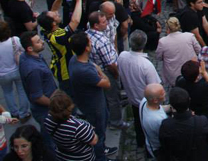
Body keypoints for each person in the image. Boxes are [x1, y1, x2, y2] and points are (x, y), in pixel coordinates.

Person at [68, 32, 117, 161]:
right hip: (94, 107)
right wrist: (100, 71)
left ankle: (102, 150)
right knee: (98, 134)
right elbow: (107, 84)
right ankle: (101, 158)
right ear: (87, 48)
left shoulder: (74, 60)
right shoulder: (85, 70)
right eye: (89, 42)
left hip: (91, 103)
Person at [118, 30, 162, 150]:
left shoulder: (122, 56)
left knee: (138, 121)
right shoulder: (146, 65)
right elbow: (155, 88)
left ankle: (140, 142)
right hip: (146, 102)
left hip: (132, 97)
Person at [37, 0, 82, 100]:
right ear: (53, 23)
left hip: (60, 66)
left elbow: (53, 10)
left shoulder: (46, 29)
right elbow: (75, 21)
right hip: (66, 72)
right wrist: (78, 0)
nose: (58, 14)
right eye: (56, 16)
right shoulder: (59, 36)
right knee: (71, 97)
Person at [18, 31, 58, 152]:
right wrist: (56, 105)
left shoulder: (29, 56)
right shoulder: (33, 69)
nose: (42, 42)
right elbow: (37, 96)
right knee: (49, 140)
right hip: (45, 110)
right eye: (38, 42)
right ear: (30, 48)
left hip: (47, 107)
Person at [158, 87, 208, 161]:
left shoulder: (166, 125)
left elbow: (164, 144)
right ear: (189, 100)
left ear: (171, 105)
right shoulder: (201, 121)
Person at [175, 60, 208, 151]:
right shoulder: (204, 87)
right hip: (205, 115)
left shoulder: (179, 82)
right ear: (197, 75)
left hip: (190, 114)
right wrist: (204, 73)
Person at [44, 90, 98, 161]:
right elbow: (94, 141)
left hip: (63, 156)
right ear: (69, 107)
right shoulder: (78, 127)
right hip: (81, 158)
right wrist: (90, 129)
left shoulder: (48, 120)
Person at [155, 17, 201, 87]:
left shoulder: (163, 42)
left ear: (168, 28)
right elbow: (199, 50)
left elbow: (158, 57)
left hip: (174, 75)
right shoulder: (189, 36)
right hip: (191, 72)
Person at [0, 22, 30, 123]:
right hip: (17, 70)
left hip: (2, 74)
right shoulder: (14, 40)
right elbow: (23, 50)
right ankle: (24, 113)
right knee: (21, 91)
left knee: (7, 92)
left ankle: (14, 112)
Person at [139, 83, 168, 160]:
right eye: (162, 93)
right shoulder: (157, 120)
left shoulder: (144, 101)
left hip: (149, 142)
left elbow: (160, 108)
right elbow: (166, 137)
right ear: (155, 100)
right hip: (158, 148)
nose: (165, 93)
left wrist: (170, 107)